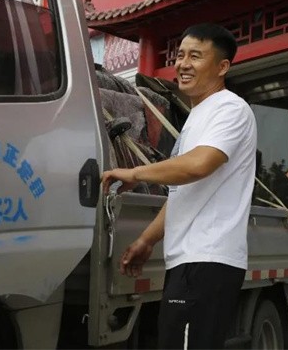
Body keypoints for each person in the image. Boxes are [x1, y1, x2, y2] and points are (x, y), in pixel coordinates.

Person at [101, 23, 257, 349]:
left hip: (207, 260)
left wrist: (134, 173)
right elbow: (184, 191)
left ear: (222, 66)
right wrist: (147, 239)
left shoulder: (230, 108)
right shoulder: (197, 117)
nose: (183, 64)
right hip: (189, 261)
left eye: (196, 56)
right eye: (181, 55)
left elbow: (197, 167)